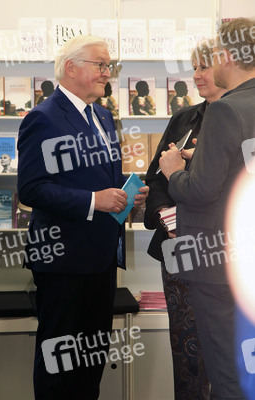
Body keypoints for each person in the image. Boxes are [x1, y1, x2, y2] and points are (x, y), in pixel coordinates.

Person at [17, 34, 149, 400]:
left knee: (91, 363)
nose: (108, 72)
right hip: (62, 261)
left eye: (109, 65)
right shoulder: (41, 119)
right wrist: (94, 201)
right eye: (101, 64)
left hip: (102, 259)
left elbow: (105, 184)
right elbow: (31, 189)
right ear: (71, 67)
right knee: (59, 367)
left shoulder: (105, 117)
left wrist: (128, 194)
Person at [159, 18, 255, 400]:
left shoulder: (225, 110)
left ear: (228, 56)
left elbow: (199, 191)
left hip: (218, 264)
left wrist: (174, 172)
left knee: (226, 367)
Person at [145, 40, 226, 400]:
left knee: (228, 356)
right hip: (179, 254)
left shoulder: (242, 116)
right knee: (187, 351)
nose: (196, 75)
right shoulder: (184, 118)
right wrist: (169, 218)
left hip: (228, 256)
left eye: (204, 67)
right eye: (194, 67)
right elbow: (156, 176)